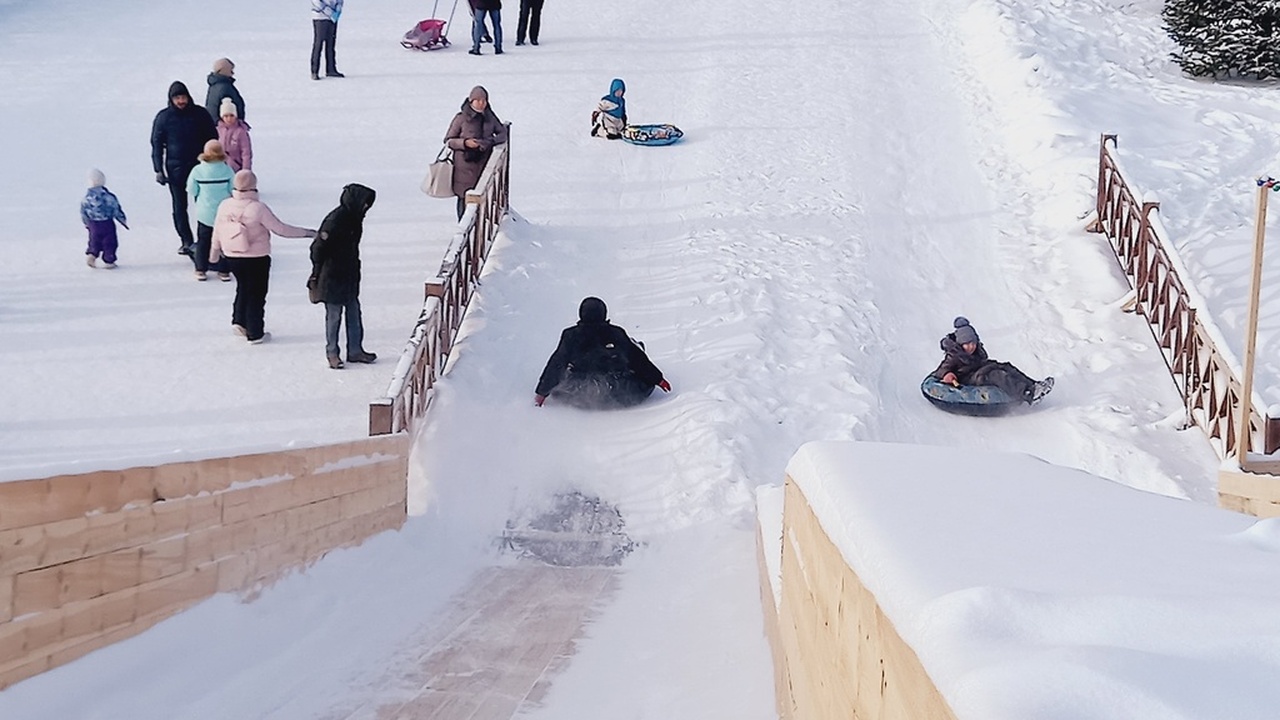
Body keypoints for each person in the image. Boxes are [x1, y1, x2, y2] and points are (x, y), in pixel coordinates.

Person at [210, 170, 316, 344]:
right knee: (257, 293)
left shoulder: (225, 205)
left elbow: (217, 230)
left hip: (231, 255)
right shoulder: (258, 208)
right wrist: (308, 233)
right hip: (256, 258)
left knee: (242, 287)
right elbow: (281, 229)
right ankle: (255, 332)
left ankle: (239, 321)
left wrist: (214, 254)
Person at [535, 297, 672, 409]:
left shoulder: (571, 335)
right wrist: (658, 379)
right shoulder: (616, 332)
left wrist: (542, 392)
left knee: (560, 388)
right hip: (619, 392)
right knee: (636, 359)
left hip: (583, 392)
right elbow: (637, 359)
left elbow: (557, 364)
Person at [310, 183, 378, 369]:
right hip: (332, 276)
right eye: (365, 203)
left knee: (354, 313)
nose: (366, 208)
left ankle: (355, 350)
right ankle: (332, 353)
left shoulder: (354, 218)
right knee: (334, 317)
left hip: (349, 273)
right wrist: (317, 271)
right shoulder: (335, 220)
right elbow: (317, 248)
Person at [151, 80, 217, 256]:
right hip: (175, 170)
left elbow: (213, 138)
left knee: (205, 206)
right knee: (179, 207)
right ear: (171, 99)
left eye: (183, 97)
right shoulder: (164, 118)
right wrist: (158, 169)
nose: (181, 101)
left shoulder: (200, 114)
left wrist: (215, 161)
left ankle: (206, 240)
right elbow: (156, 144)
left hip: (200, 168)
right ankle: (186, 240)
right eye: (177, 98)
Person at [930, 316, 1053, 404]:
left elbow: (983, 360)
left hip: (979, 370)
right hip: (968, 378)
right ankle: (1028, 393)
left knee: (1006, 366)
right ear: (960, 343)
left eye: (973, 343)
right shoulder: (954, 355)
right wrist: (947, 374)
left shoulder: (977, 350)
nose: (971, 347)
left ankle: (1034, 385)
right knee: (997, 375)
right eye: (966, 344)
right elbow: (940, 370)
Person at [444, 86, 509, 220]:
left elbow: (503, 134)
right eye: (478, 100)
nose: (481, 103)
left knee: (482, 198)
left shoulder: (490, 117)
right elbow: (449, 140)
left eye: (484, 100)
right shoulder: (461, 118)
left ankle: (478, 228)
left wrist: (488, 142)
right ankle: (463, 228)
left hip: (484, 165)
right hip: (463, 167)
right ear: (471, 101)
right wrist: (466, 143)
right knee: (463, 198)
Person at [186, 140, 235, 282]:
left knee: (203, 241)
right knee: (224, 242)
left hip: (204, 213)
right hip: (224, 213)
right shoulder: (227, 170)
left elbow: (192, 190)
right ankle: (224, 271)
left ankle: (200, 269)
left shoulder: (197, 170)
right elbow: (232, 189)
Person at [81, 169, 128, 269]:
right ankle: (109, 259)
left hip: (93, 224)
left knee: (94, 240)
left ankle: (92, 255)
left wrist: (86, 223)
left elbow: (83, 212)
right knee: (109, 241)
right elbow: (115, 209)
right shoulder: (108, 197)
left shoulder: (86, 198)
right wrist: (122, 219)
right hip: (107, 223)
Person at [216, 97, 253, 172]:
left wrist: (246, 170)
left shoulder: (240, 132)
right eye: (226, 116)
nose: (229, 119)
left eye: (231, 116)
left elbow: (246, 152)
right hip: (220, 167)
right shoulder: (218, 130)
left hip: (237, 168)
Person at [311, 0, 345, 80]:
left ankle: (331, 69)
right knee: (318, 43)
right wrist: (329, 12)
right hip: (320, 16)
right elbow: (316, 2)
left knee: (331, 43)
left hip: (333, 17)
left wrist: (338, 9)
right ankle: (315, 71)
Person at [204, 57, 245, 122]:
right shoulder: (224, 87)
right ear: (224, 70)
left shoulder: (214, 85)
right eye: (230, 70)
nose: (232, 73)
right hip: (227, 127)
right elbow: (228, 110)